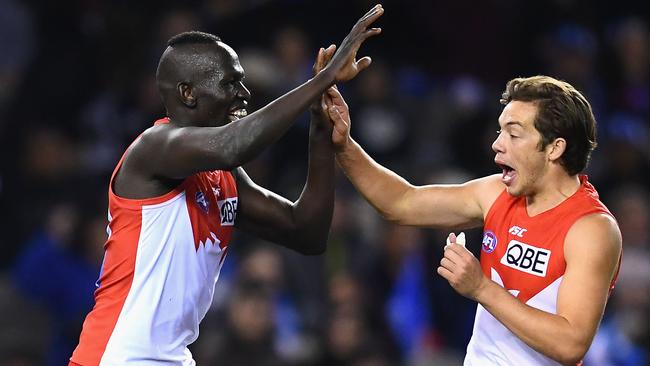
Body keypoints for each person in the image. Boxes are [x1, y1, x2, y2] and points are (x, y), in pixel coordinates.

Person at [68, 4, 384, 365]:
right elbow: (235, 144)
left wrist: (320, 129)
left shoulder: (224, 177)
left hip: (172, 357)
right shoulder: (152, 148)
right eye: (230, 82)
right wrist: (320, 81)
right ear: (188, 94)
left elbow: (307, 232)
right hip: (115, 355)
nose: (245, 93)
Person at [323, 75, 622, 365]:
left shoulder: (591, 228)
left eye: (514, 134)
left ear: (555, 148)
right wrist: (344, 145)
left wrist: (480, 288)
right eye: (499, 132)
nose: (497, 145)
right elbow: (401, 202)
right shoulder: (496, 193)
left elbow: (570, 344)